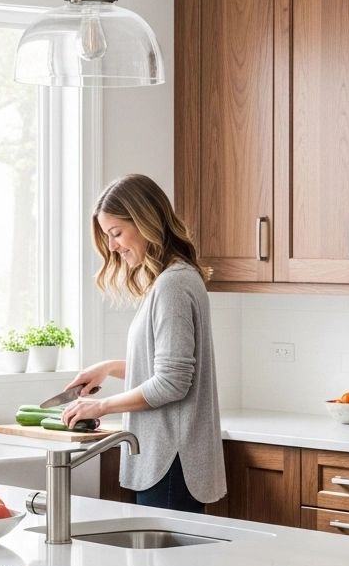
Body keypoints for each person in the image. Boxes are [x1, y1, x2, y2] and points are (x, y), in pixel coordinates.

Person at [62, 173, 226, 513]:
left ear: (146, 221)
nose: (112, 247)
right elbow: (167, 368)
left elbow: (172, 383)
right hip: (168, 459)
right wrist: (108, 367)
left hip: (171, 459)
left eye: (117, 233)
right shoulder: (171, 281)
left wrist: (101, 406)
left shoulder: (173, 286)